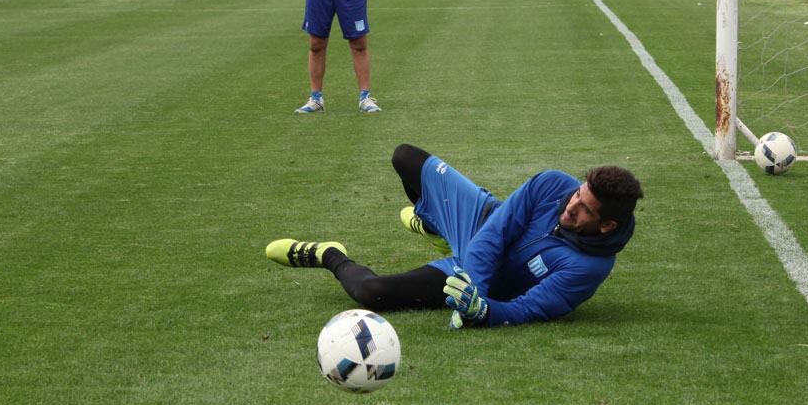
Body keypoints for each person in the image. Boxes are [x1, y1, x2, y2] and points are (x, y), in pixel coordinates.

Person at [265, 144, 644, 328]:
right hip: (481, 221)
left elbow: (530, 309)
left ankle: (328, 254)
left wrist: (480, 309)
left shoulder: (588, 267)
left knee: (370, 292)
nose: (572, 205)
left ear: (606, 226)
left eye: (585, 209)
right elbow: (497, 232)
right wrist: (473, 284)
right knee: (404, 158)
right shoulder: (553, 183)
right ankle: (438, 227)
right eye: (578, 193)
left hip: (477, 278)